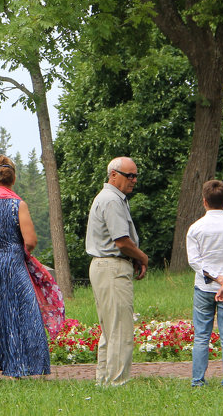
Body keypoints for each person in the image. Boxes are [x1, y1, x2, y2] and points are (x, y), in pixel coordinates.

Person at [0, 156, 50, 378]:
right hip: (12, 263)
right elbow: (30, 240)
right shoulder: (18, 204)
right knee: (21, 313)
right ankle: (19, 366)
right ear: (14, 178)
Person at [85, 157, 147, 387]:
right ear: (113, 175)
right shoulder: (111, 200)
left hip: (105, 266)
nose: (134, 180)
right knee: (120, 330)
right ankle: (118, 384)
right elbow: (122, 241)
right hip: (112, 266)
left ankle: (104, 382)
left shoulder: (113, 198)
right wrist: (142, 256)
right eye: (129, 175)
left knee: (110, 330)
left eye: (135, 175)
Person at [185, 179, 223, 388]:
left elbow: (194, 261)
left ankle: (197, 381)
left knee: (201, 336)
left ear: (204, 201)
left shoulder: (195, 228)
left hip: (203, 288)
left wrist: (216, 278)